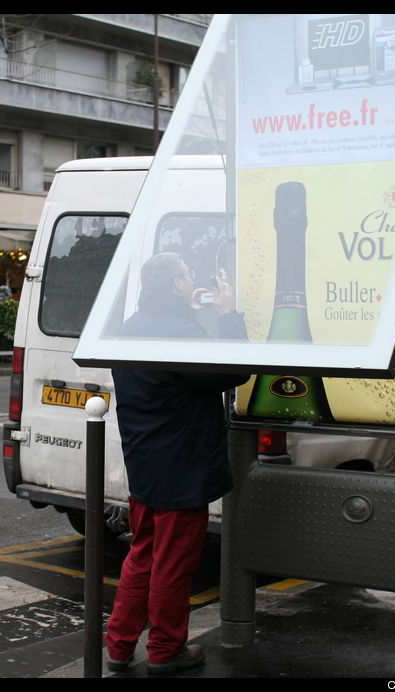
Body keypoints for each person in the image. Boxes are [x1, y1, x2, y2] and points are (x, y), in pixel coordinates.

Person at [106, 252, 250, 675]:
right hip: (182, 471)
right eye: (188, 276)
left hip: (145, 467)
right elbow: (234, 371)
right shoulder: (179, 336)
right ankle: (166, 651)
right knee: (173, 564)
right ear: (175, 285)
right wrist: (228, 314)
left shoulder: (131, 329)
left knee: (142, 555)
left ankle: (119, 645)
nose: (193, 281)